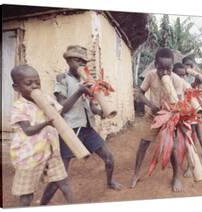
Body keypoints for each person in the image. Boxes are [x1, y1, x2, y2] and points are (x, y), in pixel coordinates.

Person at [53, 45, 122, 192]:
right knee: (62, 171)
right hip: (70, 130)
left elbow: (90, 106)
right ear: (68, 61)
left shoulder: (87, 81)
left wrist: (101, 112)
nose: (81, 64)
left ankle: (110, 181)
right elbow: (61, 108)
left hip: (87, 128)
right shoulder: (62, 79)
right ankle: (47, 198)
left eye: (83, 62)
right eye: (77, 61)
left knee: (109, 157)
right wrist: (79, 91)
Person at [10, 64, 73, 206]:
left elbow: (59, 112)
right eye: (28, 83)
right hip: (30, 156)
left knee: (64, 184)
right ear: (16, 88)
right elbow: (28, 130)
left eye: (37, 83)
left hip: (51, 151)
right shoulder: (19, 106)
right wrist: (47, 122)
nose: (34, 86)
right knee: (27, 195)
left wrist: (52, 111)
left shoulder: (46, 98)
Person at [131, 48, 189, 192]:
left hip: (170, 118)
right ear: (155, 65)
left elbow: (180, 104)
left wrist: (173, 114)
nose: (164, 72)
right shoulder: (150, 76)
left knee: (172, 148)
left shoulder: (177, 80)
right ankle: (136, 174)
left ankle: (176, 177)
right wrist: (151, 105)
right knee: (143, 144)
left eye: (168, 69)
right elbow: (140, 93)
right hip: (152, 116)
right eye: (160, 68)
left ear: (172, 66)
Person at [173, 63, 202, 160]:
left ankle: (194, 159)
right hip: (180, 115)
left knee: (194, 135)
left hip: (191, 115)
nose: (181, 77)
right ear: (173, 74)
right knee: (180, 138)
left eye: (183, 75)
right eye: (179, 75)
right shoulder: (173, 85)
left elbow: (193, 86)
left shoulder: (187, 85)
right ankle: (180, 158)